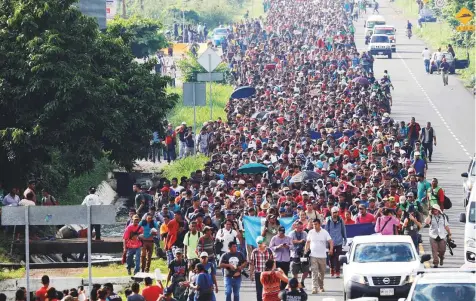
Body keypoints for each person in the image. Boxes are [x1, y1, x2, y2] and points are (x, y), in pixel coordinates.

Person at [305, 218, 333, 294]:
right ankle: (314, 288)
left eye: (316, 224)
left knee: (322, 272)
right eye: (313, 224)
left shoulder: (325, 232)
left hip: (323, 256)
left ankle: (321, 286)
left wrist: (331, 249)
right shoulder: (310, 232)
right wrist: (305, 251)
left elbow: (330, 241)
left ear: (319, 224)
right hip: (313, 255)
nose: (314, 226)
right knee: (314, 271)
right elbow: (308, 242)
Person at [250, 236, 275, 301]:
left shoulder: (269, 251)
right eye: (258, 243)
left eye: (261, 242)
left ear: (264, 243)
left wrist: (273, 272)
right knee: (259, 291)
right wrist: (251, 274)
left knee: (268, 291)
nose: (259, 244)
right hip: (258, 273)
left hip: (267, 273)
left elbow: (273, 262)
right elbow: (252, 264)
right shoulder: (254, 252)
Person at [325, 207, 347, 278]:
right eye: (334, 212)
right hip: (330, 242)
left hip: (339, 241)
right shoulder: (328, 220)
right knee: (331, 257)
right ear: (331, 213)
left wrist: (345, 239)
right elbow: (326, 231)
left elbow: (343, 230)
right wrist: (326, 242)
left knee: (338, 258)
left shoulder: (341, 220)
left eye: (336, 212)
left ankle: (337, 272)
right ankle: (332, 269)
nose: (335, 214)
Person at [289, 221, 309, 287]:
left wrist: (306, 248)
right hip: (295, 254)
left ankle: (302, 281)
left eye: (302, 228)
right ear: (296, 227)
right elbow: (290, 241)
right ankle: (296, 283)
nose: (301, 229)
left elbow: (308, 241)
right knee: (295, 270)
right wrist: (299, 241)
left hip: (303, 254)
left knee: (306, 270)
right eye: (299, 228)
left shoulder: (305, 233)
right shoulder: (291, 233)